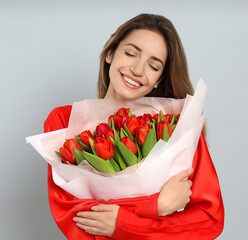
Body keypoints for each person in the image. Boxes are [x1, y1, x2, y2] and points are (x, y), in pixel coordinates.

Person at [44, 13, 224, 240]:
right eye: (131, 53)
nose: (138, 70)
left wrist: (125, 224)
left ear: (159, 79)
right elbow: (74, 218)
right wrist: (154, 206)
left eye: (153, 66)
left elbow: (210, 218)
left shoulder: (176, 125)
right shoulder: (63, 121)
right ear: (110, 53)